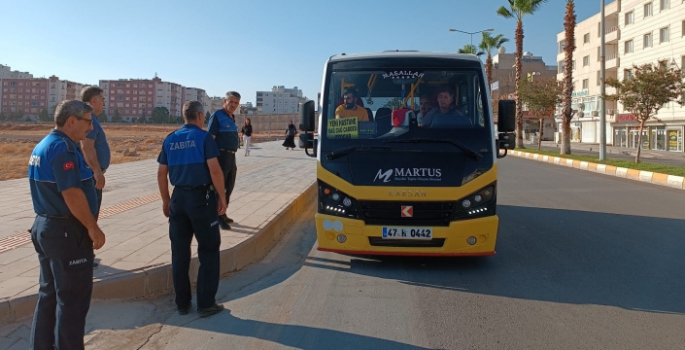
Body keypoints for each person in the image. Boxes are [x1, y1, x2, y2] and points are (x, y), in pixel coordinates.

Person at [28, 99, 106, 350]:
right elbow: (71, 193)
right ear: (71, 121)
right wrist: (92, 227)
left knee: (49, 295)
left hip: (46, 227)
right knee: (72, 302)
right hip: (65, 232)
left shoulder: (44, 144)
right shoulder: (63, 149)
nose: (91, 126)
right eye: (88, 120)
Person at [157, 100, 227, 318]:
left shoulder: (170, 139)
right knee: (208, 249)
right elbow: (215, 171)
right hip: (201, 199)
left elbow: (161, 173)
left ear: (183, 116)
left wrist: (166, 200)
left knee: (179, 253)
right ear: (199, 116)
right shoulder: (204, 137)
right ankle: (206, 303)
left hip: (178, 198)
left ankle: (183, 304)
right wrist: (222, 197)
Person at [80, 85, 111, 269]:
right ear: (94, 101)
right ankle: (83, 257)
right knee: (90, 216)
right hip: (91, 177)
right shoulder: (88, 119)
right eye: (103, 99)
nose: (104, 103)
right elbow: (87, 147)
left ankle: (85, 254)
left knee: (91, 214)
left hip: (91, 175)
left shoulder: (91, 119)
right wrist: (97, 172)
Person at [207, 91, 241, 230]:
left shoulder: (232, 118)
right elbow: (210, 139)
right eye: (230, 101)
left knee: (229, 184)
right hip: (220, 156)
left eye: (236, 103)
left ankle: (223, 211)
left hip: (231, 156)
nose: (233, 105)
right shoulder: (217, 116)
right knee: (218, 187)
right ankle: (217, 216)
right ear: (224, 101)